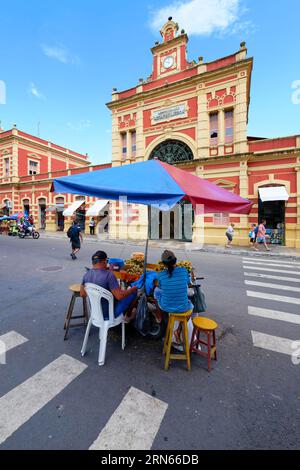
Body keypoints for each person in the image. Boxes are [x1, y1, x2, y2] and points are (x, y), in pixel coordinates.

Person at [80, 251, 138, 322]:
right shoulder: (109, 275)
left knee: (118, 293)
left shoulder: (86, 275)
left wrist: (96, 292)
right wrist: (132, 289)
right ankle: (128, 316)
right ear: (105, 261)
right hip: (110, 315)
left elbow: (82, 294)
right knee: (133, 292)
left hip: (95, 313)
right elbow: (119, 296)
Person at [154, 250, 193, 344]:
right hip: (183, 308)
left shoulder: (161, 275)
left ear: (164, 264)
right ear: (175, 260)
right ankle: (178, 331)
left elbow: (160, 287)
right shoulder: (184, 271)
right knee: (191, 307)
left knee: (156, 292)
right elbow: (189, 284)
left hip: (166, 307)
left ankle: (158, 316)